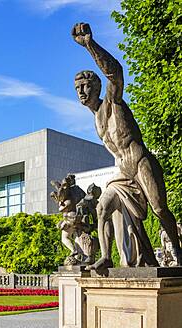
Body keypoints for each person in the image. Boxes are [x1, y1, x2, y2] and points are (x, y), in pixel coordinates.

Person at [72, 22, 181, 269]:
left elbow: (116, 72)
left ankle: (177, 250)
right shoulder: (96, 121)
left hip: (140, 161)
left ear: (97, 87)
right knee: (102, 209)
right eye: (77, 87)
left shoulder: (112, 101)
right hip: (122, 171)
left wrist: (90, 44)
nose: (81, 91)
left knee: (159, 209)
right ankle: (106, 257)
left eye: (86, 85)